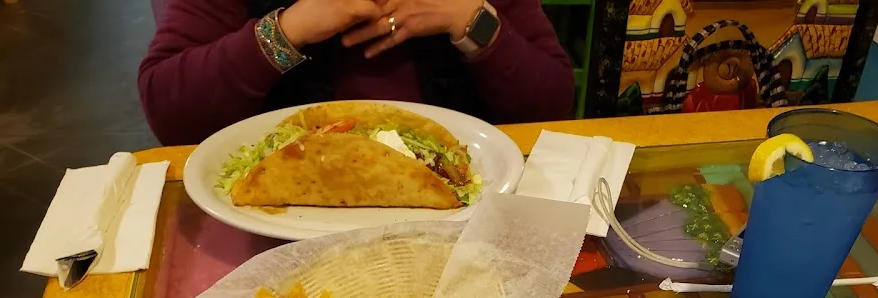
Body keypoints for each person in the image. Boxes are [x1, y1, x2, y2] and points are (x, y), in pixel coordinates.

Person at [139, 0, 576, 145]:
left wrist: (468, 17)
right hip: (275, 221)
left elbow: (552, 104)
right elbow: (172, 113)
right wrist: (290, 29)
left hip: (462, 217)